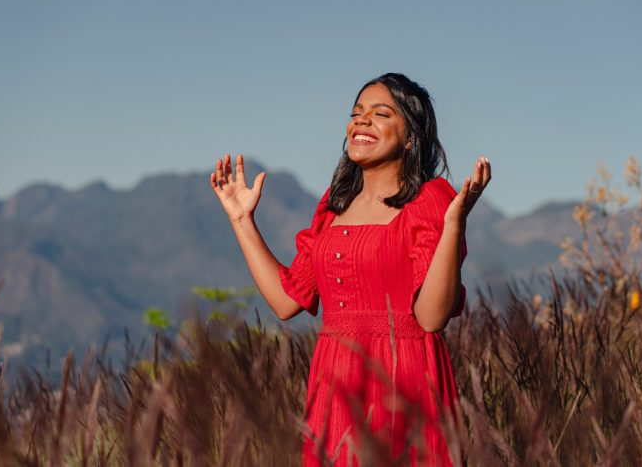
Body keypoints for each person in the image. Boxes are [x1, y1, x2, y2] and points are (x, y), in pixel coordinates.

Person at [209, 73, 491, 466]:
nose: (361, 121)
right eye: (357, 113)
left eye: (380, 113)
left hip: (403, 381)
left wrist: (454, 224)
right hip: (335, 383)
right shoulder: (334, 202)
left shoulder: (430, 197)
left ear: (410, 136)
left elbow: (431, 318)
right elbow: (287, 300)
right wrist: (242, 221)